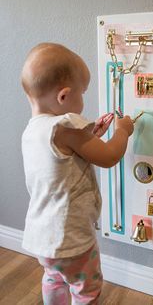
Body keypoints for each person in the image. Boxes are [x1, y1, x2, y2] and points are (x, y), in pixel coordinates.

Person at [21, 42, 134, 305]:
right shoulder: (67, 126)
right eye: (82, 93)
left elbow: (63, 159)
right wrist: (122, 131)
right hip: (71, 239)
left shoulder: (33, 131)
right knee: (86, 288)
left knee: (54, 278)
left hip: (43, 238)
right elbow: (108, 157)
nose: (83, 99)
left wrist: (91, 135)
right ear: (64, 96)